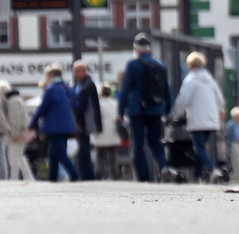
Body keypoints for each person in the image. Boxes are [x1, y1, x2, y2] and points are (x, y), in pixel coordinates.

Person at [118, 32, 173, 182]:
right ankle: (164, 167)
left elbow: (125, 89)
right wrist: (168, 110)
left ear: (136, 48)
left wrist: (121, 111)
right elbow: (167, 90)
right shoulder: (160, 65)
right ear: (149, 48)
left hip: (137, 111)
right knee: (156, 141)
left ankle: (144, 178)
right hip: (156, 109)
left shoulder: (133, 65)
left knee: (138, 145)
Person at [171, 51, 225, 183]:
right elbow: (220, 101)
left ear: (191, 65)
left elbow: (182, 100)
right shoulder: (211, 80)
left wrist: (173, 115)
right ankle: (198, 176)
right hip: (211, 121)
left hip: (197, 120)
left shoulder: (190, 80)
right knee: (201, 148)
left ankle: (212, 170)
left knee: (199, 148)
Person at [29, 64, 79, 182]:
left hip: (55, 127)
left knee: (60, 153)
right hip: (68, 126)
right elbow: (76, 106)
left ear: (51, 75)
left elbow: (42, 109)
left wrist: (31, 125)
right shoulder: (68, 88)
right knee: (52, 153)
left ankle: (75, 175)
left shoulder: (51, 89)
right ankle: (53, 178)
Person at [0, 80, 34, 180]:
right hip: (19, 133)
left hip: (16, 134)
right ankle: (28, 177)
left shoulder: (12, 102)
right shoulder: (15, 100)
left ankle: (14, 179)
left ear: (3, 92)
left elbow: (15, 121)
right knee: (19, 157)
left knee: (13, 159)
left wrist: (14, 135)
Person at [72, 60, 102, 180]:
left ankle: (87, 175)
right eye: (75, 71)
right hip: (82, 121)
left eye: (79, 71)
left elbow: (82, 105)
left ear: (84, 71)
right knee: (83, 149)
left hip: (85, 122)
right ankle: (85, 173)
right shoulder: (79, 84)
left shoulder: (87, 84)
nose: (76, 73)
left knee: (84, 150)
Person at [91, 83, 122, 180]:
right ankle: (115, 175)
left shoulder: (98, 104)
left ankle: (101, 175)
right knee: (113, 157)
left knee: (100, 156)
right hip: (114, 134)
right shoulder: (116, 103)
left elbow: (95, 118)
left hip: (101, 135)